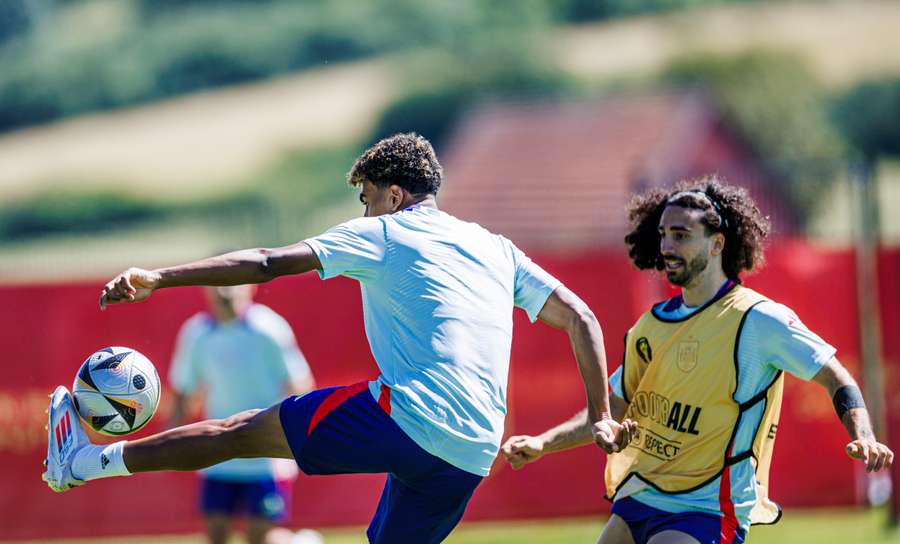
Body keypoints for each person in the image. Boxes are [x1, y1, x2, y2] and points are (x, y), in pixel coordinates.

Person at [42, 133, 631, 544]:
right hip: (474, 449)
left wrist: (160, 277)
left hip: (413, 417)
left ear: (393, 195)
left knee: (235, 433)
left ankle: (83, 462)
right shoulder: (494, 247)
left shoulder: (387, 232)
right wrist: (600, 415)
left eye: (367, 197)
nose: (364, 210)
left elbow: (269, 262)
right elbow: (580, 316)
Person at [501, 176, 894, 544]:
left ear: (717, 243)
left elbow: (835, 375)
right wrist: (541, 443)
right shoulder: (649, 328)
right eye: (664, 235)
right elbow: (610, 411)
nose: (667, 246)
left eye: (681, 235)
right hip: (638, 498)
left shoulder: (758, 320)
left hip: (706, 509)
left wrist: (864, 435)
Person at [169, 284, 319, 544]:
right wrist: (171, 438)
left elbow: (300, 385)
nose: (225, 292)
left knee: (260, 538)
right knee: (216, 535)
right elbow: (186, 389)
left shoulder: (269, 328)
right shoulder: (197, 333)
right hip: (218, 456)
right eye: (217, 284)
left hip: (265, 458)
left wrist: (296, 434)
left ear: (250, 286)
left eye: (232, 283)